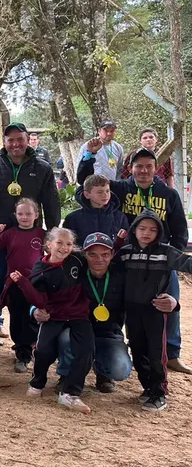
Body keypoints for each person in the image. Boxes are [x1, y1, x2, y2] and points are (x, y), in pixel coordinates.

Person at [77, 144, 191, 374]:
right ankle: (119, 347)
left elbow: (180, 229)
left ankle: (172, 353)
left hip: (160, 260)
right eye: (138, 166)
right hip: (128, 258)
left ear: (156, 168)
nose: (143, 170)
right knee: (127, 303)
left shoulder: (169, 194)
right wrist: (89, 156)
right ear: (130, 168)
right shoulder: (119, 188)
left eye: (149, 166)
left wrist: (171, 257)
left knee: (168, 304)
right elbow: (87, 184)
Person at [0, 122, 60, 358]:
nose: (15, 144)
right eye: (10, 140)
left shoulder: (43, 168)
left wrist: (52, 234)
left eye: (20, 139)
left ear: (27, 140)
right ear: (4, 143)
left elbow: (51, 202)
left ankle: (25, 345)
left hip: (28, 243)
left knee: (26, 292)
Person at [114, 210, 192, 411]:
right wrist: (117, 243)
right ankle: (147, 387)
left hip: (155, 310)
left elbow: (187, 263)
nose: (146, 233)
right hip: (132, 310)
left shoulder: (166, 252)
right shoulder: (126, 253)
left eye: (152, 229)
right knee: (137, 349)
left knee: (156, 352)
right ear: (134, 230)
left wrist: (173, 301)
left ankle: (159, 392)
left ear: (159, 232)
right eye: (142, 228)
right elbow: (107, 266)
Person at [35, 233, 131, 394]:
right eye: (92, 254)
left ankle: (103, 374)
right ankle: (66, 374)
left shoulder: (122, 276)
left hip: (109, 333)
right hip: (76, 327)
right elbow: (46, 290)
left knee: (120, 369)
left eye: (105, 254)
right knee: (65, 338)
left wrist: (171, 301)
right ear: (84, 254)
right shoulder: (75, 271)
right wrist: (35, 310)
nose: (99, 259)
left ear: (112, 254)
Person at [14, 228, 94, 414]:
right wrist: (24, 284)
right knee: (43, 349)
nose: (64, 248)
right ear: (48, 244)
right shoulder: (40, 269)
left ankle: (70, 393)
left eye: (68, 244)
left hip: (78, 314)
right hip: (54, 315)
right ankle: (37, 383)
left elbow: (100, 259)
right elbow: (39, 300)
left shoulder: (77, 259)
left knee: (86, 349)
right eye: (59, 243)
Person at [0, 199, 46, 370]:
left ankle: (28, 349)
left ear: (36, 215)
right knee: (17, 316)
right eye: (20, 214)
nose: (24, 217)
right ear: (15, 215)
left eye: (28, 214)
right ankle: (21, 350)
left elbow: (52, 251)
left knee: (32, 316)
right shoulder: (10, 233)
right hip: (14, 282)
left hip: (35, 282)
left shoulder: (42, 234)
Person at [62, 174, 128, 243]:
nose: (105, 195)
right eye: (100, 192)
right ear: (87, 194)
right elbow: (68, 243)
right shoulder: (73, 219)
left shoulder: (120, 217)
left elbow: (125, 242)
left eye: (107, 191)